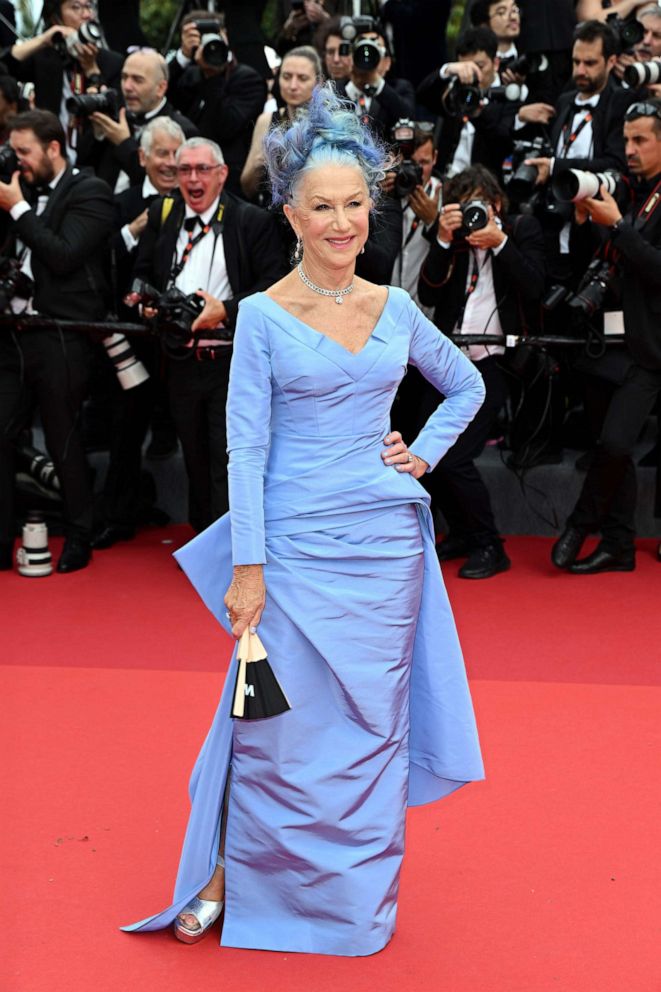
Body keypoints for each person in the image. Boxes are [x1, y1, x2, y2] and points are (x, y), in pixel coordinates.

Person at [122, 84, 484, 955]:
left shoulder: (394, 308)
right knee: (276, 732)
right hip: (289, 549)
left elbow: (468, 385)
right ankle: (232, 877)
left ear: (371, 206)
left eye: (355, 204)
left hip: (382, 550)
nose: (341, 222)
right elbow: (244, 449)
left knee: (368, 735)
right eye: (321, 206)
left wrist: (420, 455)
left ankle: (350, 908)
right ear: (289, 212)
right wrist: (246, 568)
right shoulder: (259, 317)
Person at [132, 136, 288, 533]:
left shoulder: (250, 220)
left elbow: (275, 284)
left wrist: (227, 310)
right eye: (185, 170)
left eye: (202, 169)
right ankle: (205, 544)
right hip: (179, 361)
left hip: (231, 363)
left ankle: (236, 552)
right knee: (194, 458)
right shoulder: (162, 214)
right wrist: (146, 304)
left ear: (222, 175)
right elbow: (142, 274)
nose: (193, 178)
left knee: (228, 460)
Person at [416, 164, 545, 578]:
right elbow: (427, 292)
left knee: (455, 459)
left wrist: (501, 244)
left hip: (494, 364)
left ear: (497, 205)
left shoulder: (521, 232)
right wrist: (441, 235)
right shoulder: (451, 241)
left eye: (480, 205)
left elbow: (538, 289)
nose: (472, 215)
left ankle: (490, 543)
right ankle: (464, 532)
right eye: (464, 205)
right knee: (427, 456)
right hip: (446, 363)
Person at [0, 109, 113, 573]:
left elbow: (64, 256)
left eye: (24, 152)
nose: (17, 161)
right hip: (13, 334)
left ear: (53, 148)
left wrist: (18, 209)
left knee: (64, 440)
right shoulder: (16, 190)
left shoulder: (91, 191)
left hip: (62, 335)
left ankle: (80, 535)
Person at [551, 99, 661, 573]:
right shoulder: (630, 190)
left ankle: (582, 522)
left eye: (641, 140)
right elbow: (601, 263)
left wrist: (617, 225)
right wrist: (587, 225)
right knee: (611, 442)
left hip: (650, 344)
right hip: (621, 341)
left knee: (616, 442)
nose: (629, 150)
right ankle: (617, 541)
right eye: (627, 140)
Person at [91, 118, 186, 551]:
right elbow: (99, 258)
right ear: (142, 157)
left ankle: (204, 522)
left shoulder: (199, 198)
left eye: (175, 153)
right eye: (161, 154)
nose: (169, 163)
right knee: (125, 429)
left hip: (187, 341)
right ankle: (118, 513)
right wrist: (136, 228)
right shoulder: (122, 202)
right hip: (132, 338)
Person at [1, 0, 123, 159]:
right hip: (49, 157)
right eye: (76, 7)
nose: (86, 15)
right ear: (56, 18)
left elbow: (114, 115)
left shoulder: (112, 62)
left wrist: (93, 72)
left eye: (89, 6)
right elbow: (5, 65)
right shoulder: (45, 57)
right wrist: (44, 39)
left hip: (94, 162)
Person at [167, 10, 267, 195]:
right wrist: (183, 56)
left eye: (214, 34)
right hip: (189, 174)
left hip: (227, 184)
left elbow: (227, 126)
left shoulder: (248, 79)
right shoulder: (191, 74)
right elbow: (162, 93)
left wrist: (213, 76)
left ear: (225, 35)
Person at [77, 47, 197, 191]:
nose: (127, 87)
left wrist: (124, 144)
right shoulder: (118, 117)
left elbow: (165, 185)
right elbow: (84, 167)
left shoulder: (182, 131)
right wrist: (98, 133)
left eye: (137, 80)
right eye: (124, 77)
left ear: (160, 88)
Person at [240, 45, 323, 202]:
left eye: (302, 78)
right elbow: (247, 186)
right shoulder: (266, 120)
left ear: (318, 82)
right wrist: (260, 163)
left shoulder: (328, 122)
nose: (292, 86)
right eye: (286, 76)